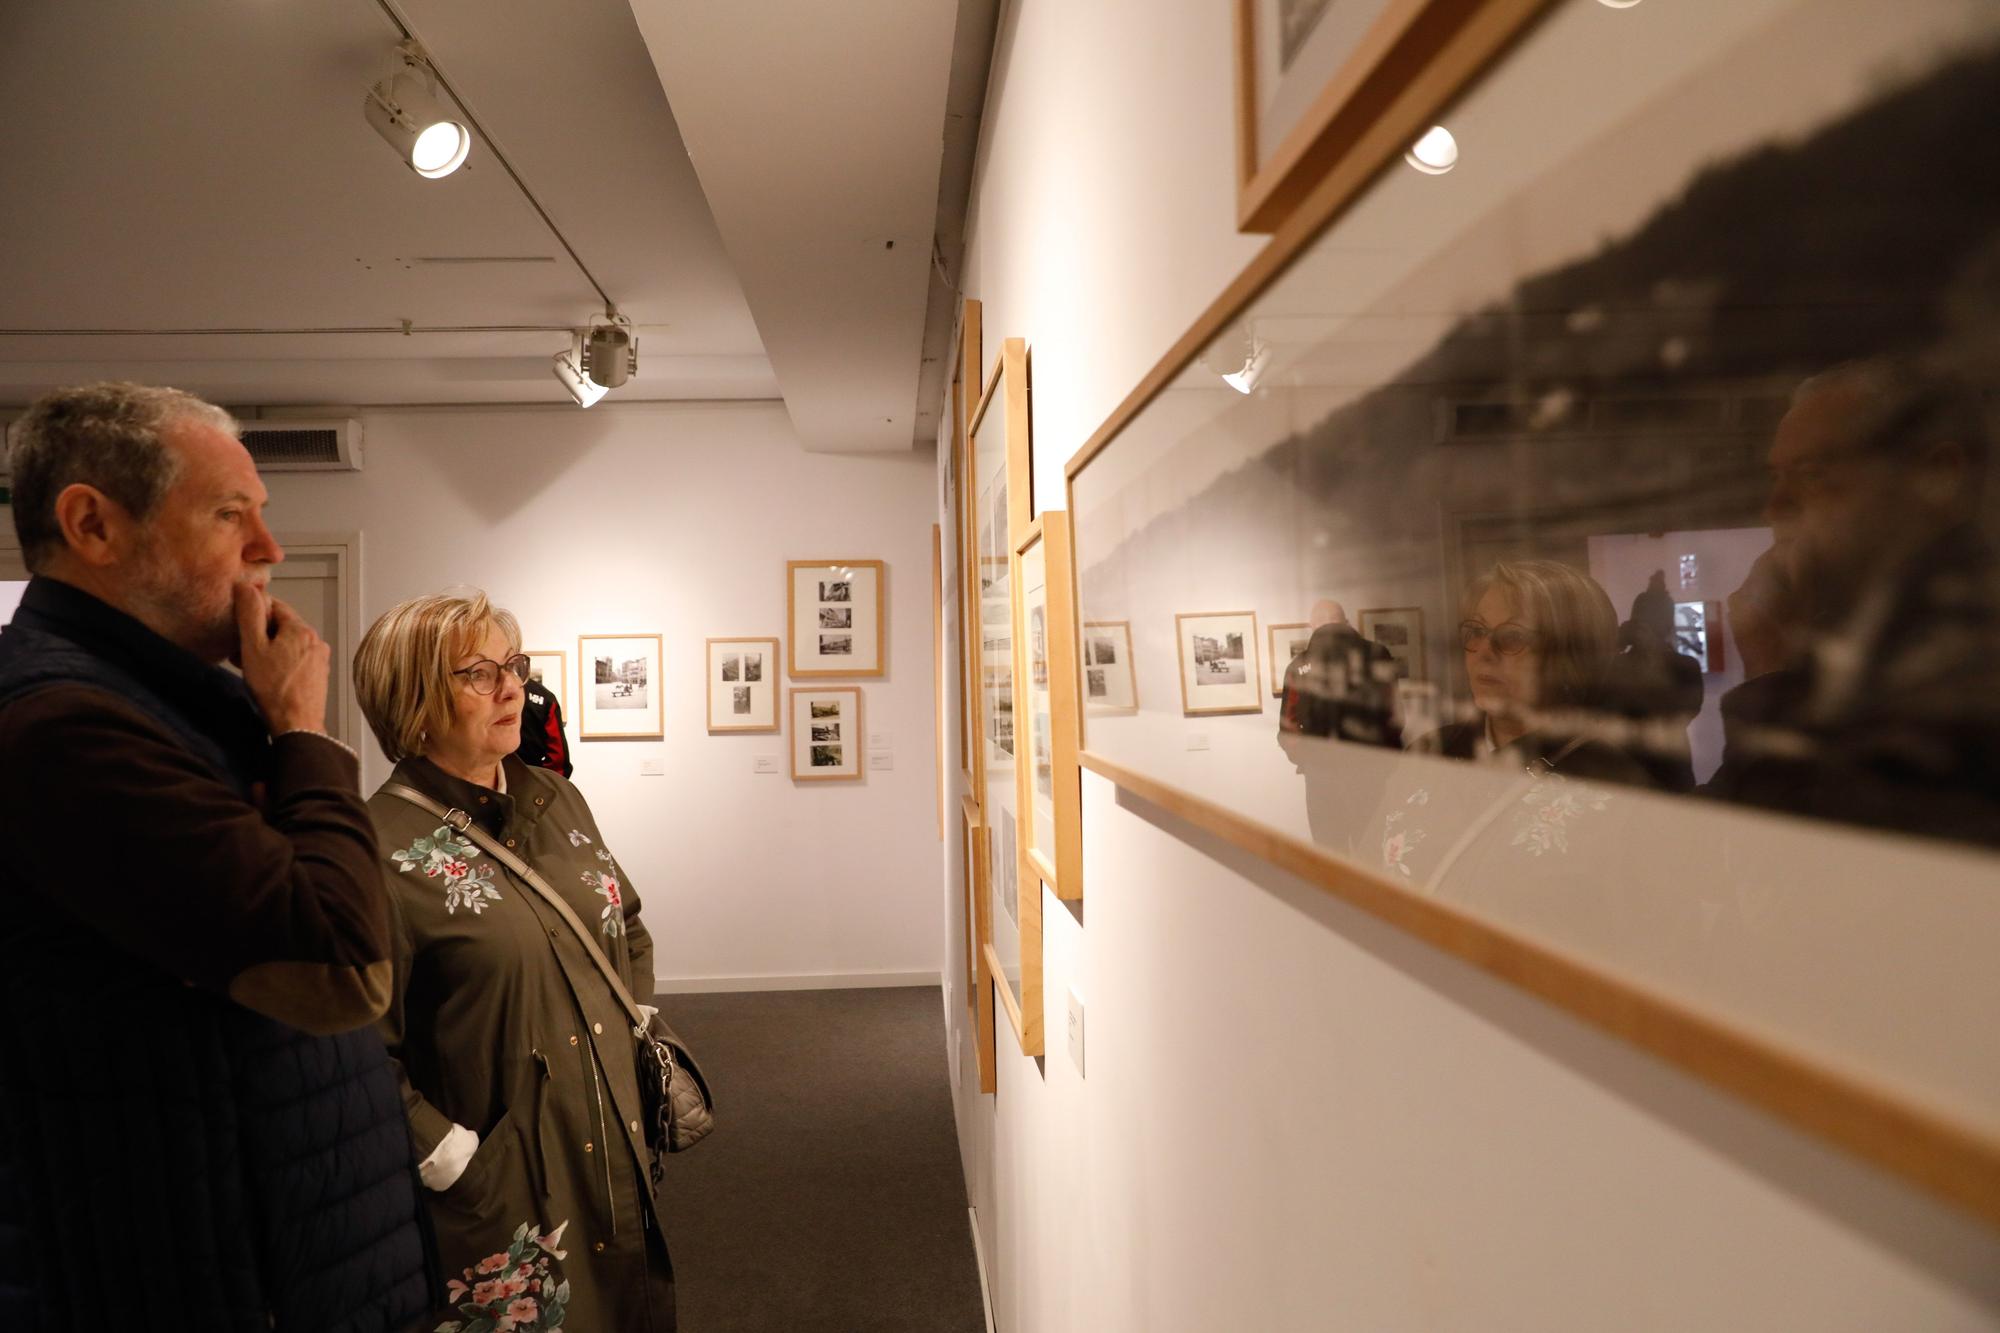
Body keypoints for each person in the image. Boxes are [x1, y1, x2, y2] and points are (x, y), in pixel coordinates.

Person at [0, 382, 436, 1331]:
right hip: (196, 1271)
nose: (268, 551)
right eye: (229, 514)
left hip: (281, 1233)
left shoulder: (168, 700)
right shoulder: (63, 728)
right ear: (93, 525)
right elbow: (339, 965)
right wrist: (303, 732)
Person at [353, 591, 676, 1332]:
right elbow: (356, 1049)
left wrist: (638, 1024)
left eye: (514, 665)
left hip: (605, 1145)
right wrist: (452, 1158)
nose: (513, 689)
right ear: (413, 702)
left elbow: (621, 918)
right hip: (506, 1192)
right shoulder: (376, 850)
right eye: (478, 673)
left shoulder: (557, 799)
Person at [1704, 358, 2000, 844]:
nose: (1774, 506)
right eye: (1777, 477)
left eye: (1812, 474)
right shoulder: (1850, 634)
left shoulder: (1971, 653)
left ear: (1938, 473)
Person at [1415, 559, 1649, 786]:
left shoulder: (1613, 780)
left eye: (1513, 636)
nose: (1484, 651)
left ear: (1570, 658)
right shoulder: (1432, 749)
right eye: (1476, 630)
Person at [1599, 571, 1704, 792]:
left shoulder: (1684, 666)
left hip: (1667, 770)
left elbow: (1678, 714)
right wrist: (1613, 646)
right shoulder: (1615, 665)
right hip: (1627, 771)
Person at [517, 664, 574, 777]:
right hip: (531, 779)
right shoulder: (545, 697)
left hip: (486, 780)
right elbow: (559, 760)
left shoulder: (486, 692)